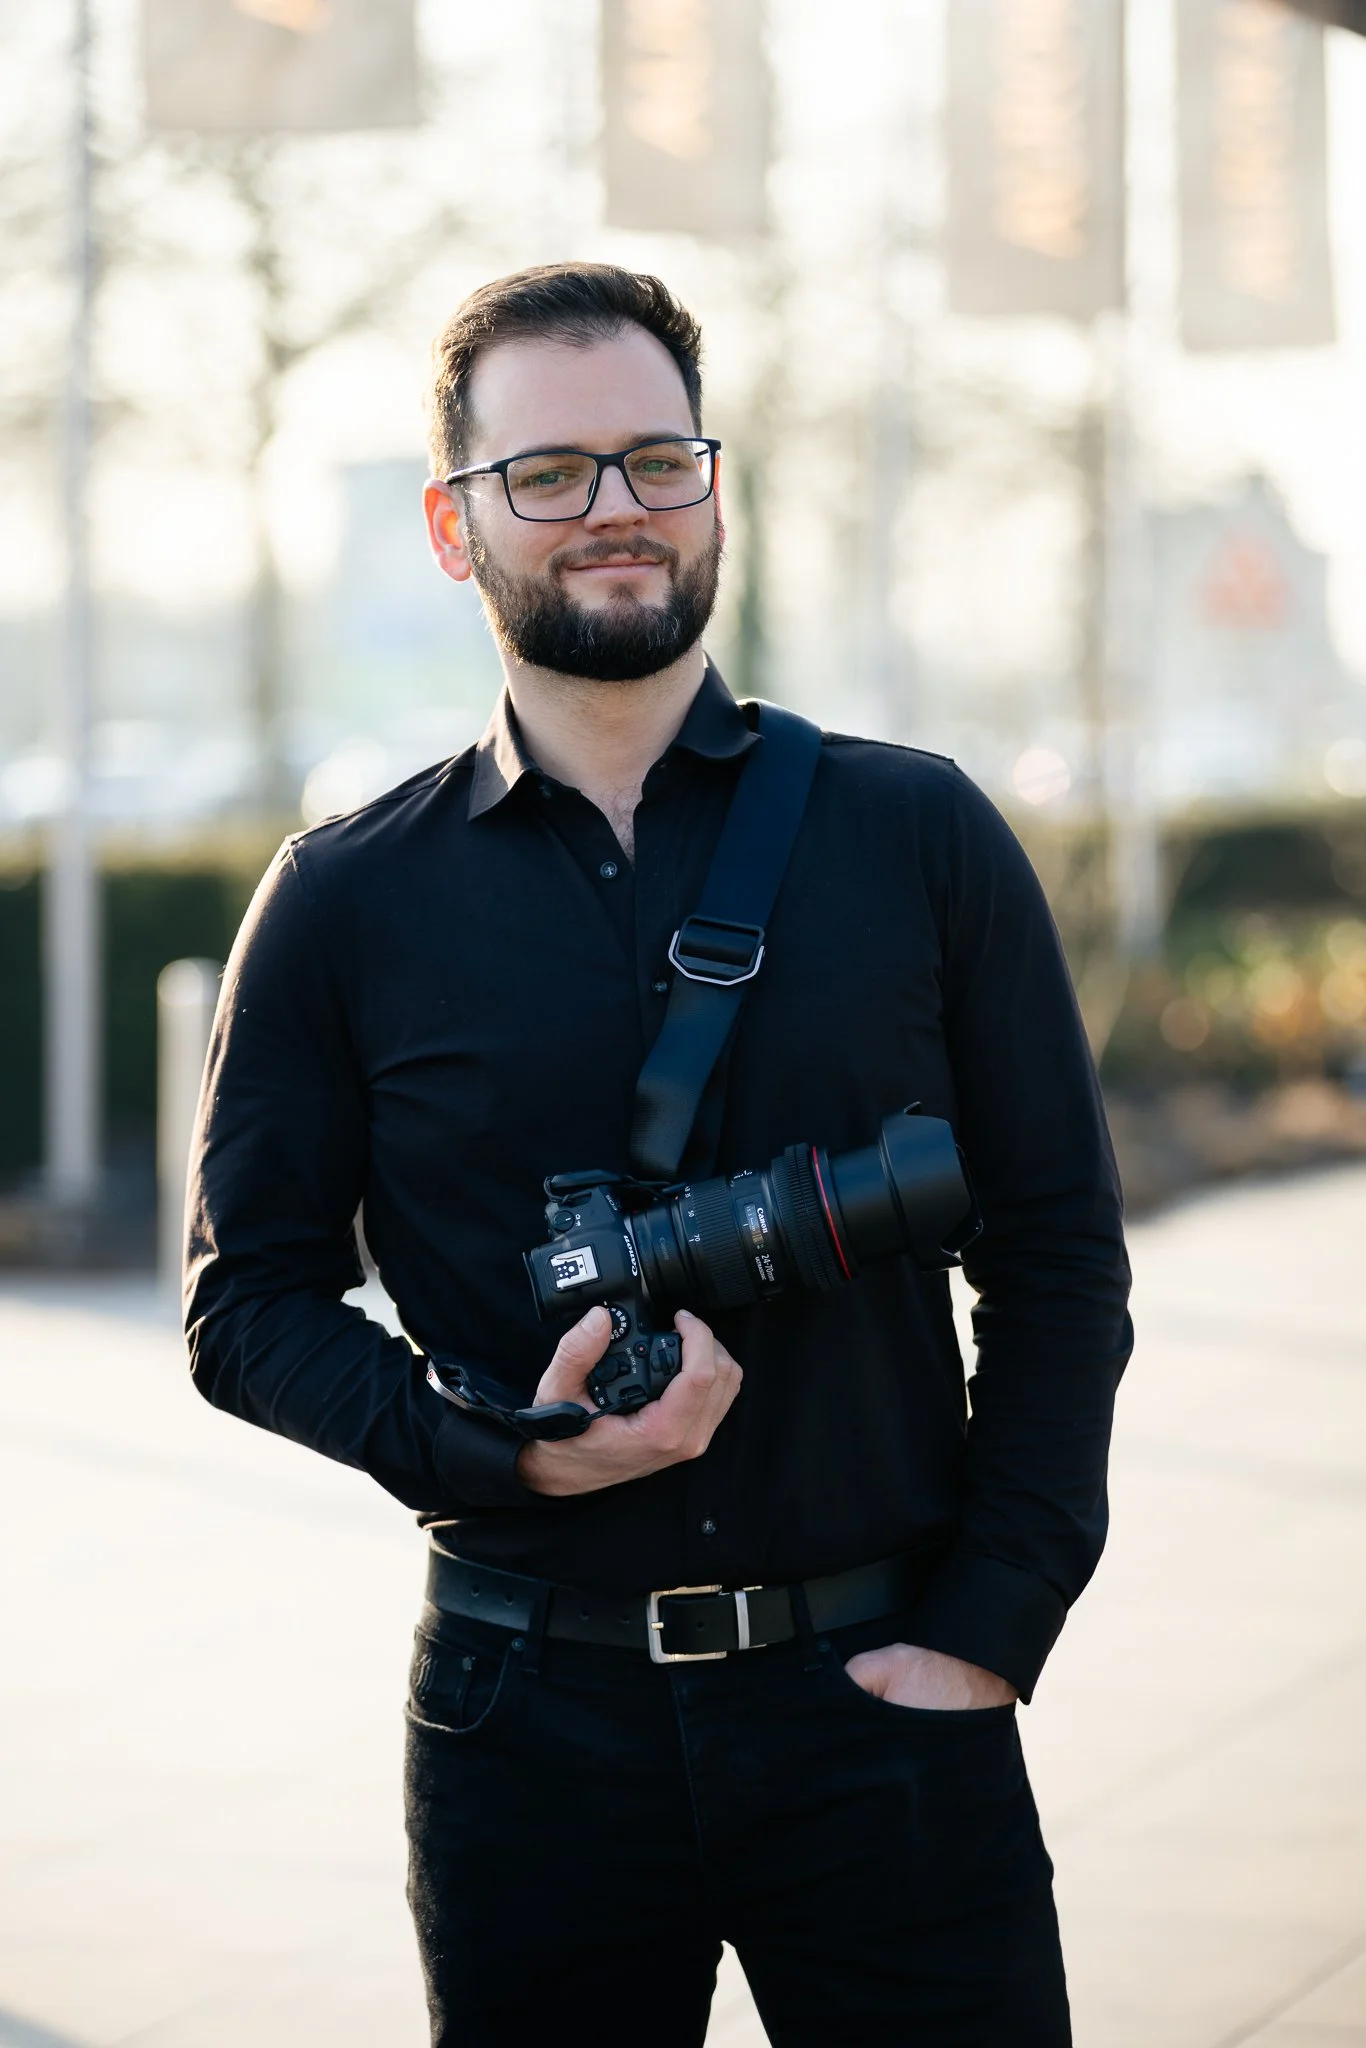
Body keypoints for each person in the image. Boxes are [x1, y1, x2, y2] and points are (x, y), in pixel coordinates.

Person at [185, 262, 1132, 2047]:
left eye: (655, 461)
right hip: (523, 1729)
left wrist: (989, 1630)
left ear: (715, 487)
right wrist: (501, 1459)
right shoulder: (340, 902)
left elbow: (1063, 1258)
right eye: (546, 474)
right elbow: (249, 1310)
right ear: (455, 530)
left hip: (886, 1706)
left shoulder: (917, 832)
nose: (612, 510)